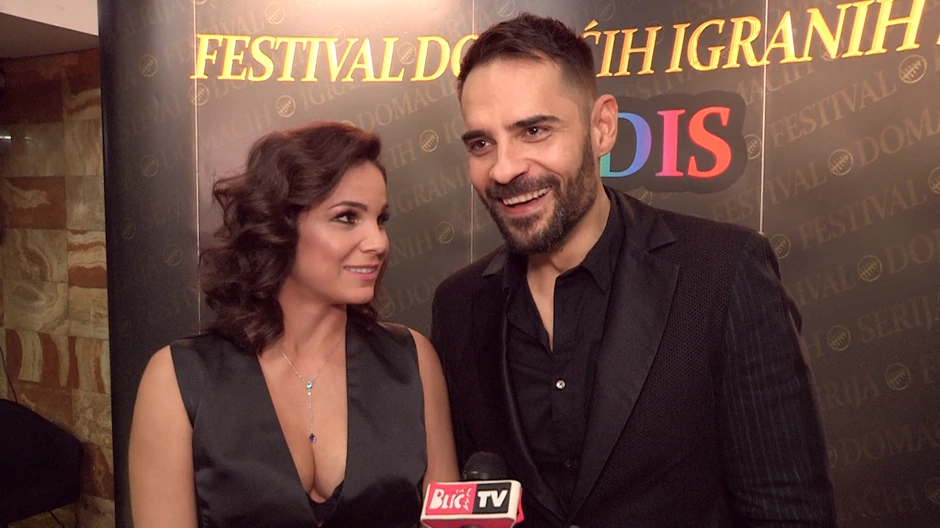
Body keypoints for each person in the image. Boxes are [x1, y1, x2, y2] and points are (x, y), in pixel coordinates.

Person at [430, 13, 836, 527]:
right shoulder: (459, 304)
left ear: (602, 128)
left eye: (534, 130)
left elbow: (789, 513)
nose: (504, 168)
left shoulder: (724, 274)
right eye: (481, 144)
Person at [129, 121, 458, 527]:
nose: (378, 242)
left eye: (380, 219)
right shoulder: (178, 379)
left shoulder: (412, 361)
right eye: (347, 217)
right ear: (279, 225)